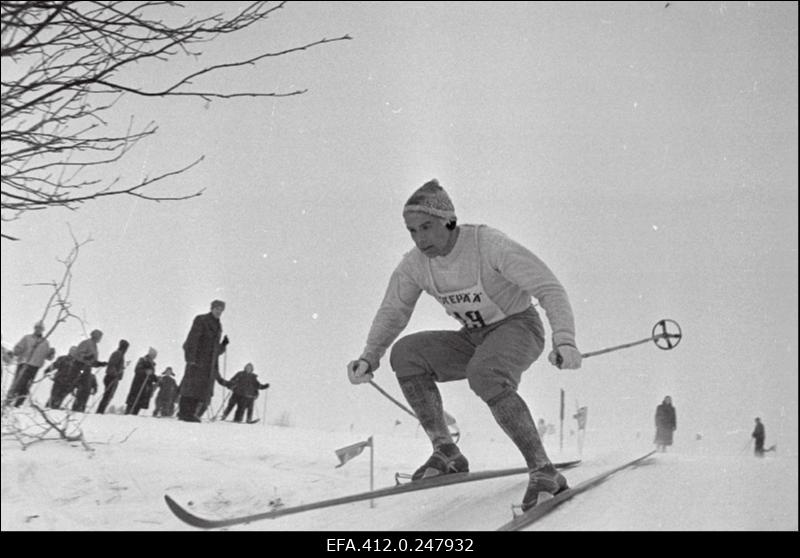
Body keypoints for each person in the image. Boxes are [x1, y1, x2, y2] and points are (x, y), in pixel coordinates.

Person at [346, 179, 582, 512]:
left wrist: (565, 339)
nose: (420, 238)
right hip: (473, 336)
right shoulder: (415, 264)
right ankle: (447, 452)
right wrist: (370, 356)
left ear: (448, 221)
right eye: (412, 231)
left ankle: (544, 471)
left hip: (519, 326)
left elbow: (549, 288)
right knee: (406, 355)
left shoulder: (488, 245)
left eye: (426, 227)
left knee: (484, 374)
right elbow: (393, 311)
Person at [178, 300, 229, 423]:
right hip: (197, 359)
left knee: (200, 390)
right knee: (191, 387)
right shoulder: (201, 320)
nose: (219, 311)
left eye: (221, 310)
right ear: (211, 308)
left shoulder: (218, 326)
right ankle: (185, 413)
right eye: (217, 308)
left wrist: (223, 345)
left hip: (208, 364)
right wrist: (190, 358)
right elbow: (192, 339)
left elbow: (214, 349)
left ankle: (192, 413)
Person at [6, 321, 55, 407]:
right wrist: (14, 353)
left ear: (42, 330)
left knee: (27, 385)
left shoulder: (45, 342)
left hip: (34, 366)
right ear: (34, 328)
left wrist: (51, 353)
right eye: (37, 328)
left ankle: (19, 404)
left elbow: (47, 356)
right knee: (17, 383)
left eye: (40, 329)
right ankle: (8, 401)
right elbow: (19, 348)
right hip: (24, 363)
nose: (38, 330)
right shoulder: (27, 338)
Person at [96, 339, 130, 414]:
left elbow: (117, 366)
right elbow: (112, 365)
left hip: (114, 378)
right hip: (111, 377)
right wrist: (115, 374)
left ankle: (101, 410)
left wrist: (121, 370)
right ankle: (100, 411)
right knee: (107, 396)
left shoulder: (120, 355)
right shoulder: (118, 354)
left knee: (109, 396)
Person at [125, 348, 158, 415]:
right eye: (153, 355)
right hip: (138, 386)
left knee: (138, 406)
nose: (154, 357)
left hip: (145, 389)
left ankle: (133, 418)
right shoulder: (142, 360)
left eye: (155, 355)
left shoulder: (152, 364)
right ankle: (127, 417)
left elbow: (150, 375)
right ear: (150, 354)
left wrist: (155, 378)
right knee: (132, 404)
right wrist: (145, 372)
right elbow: (137, 370)